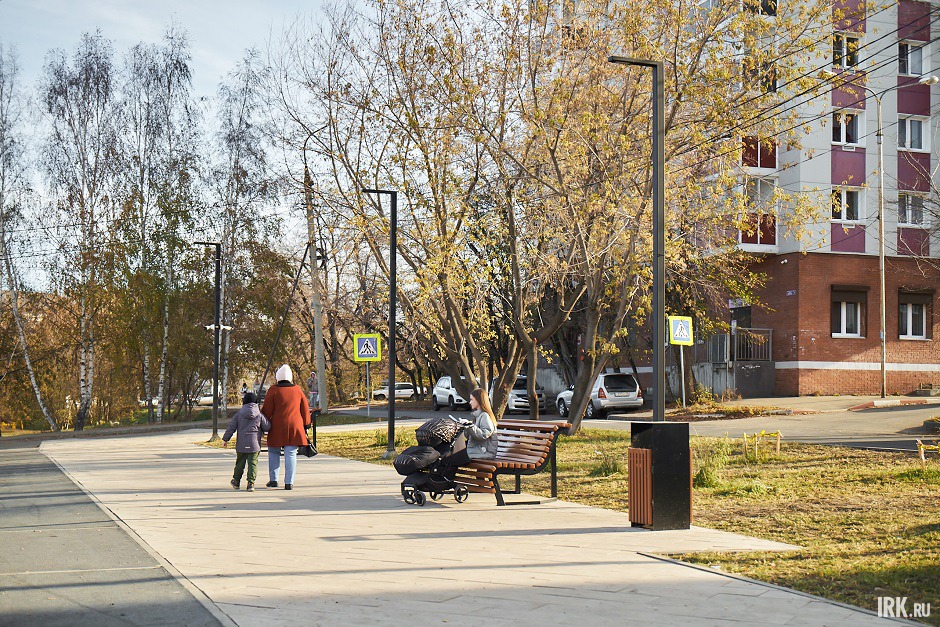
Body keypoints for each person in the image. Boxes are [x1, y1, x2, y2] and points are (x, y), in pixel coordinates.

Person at [262, 364, 311, 490]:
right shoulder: (297, 390)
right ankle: (289, 482)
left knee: (273, 451)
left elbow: (267, 410)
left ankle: (273, 479)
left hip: (277, 426)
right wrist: (307, 424)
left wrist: (263, 424)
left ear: (278, 377)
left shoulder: (273, 390)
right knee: (290, 453)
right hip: (295, 426)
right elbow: (305, 409)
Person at [222, 392, 271, 492]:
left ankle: (236, 481)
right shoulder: (259, 415)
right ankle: (250, 483)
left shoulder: (239, 414)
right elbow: (267, 426)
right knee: (253, 463)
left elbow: (231, 427)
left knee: (240, 462)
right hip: (254, 444)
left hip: (241, 443)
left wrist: (225, 439)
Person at [466, 388, 498, 459]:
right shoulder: (478, 415)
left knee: (453, 458)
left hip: (485, 452)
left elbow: (484, 434)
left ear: (478, 400)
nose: (470, 402)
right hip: (478, 451)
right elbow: (471, 436)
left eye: (472, 399)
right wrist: (465, 427)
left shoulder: (485, 415)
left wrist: (470, 427)